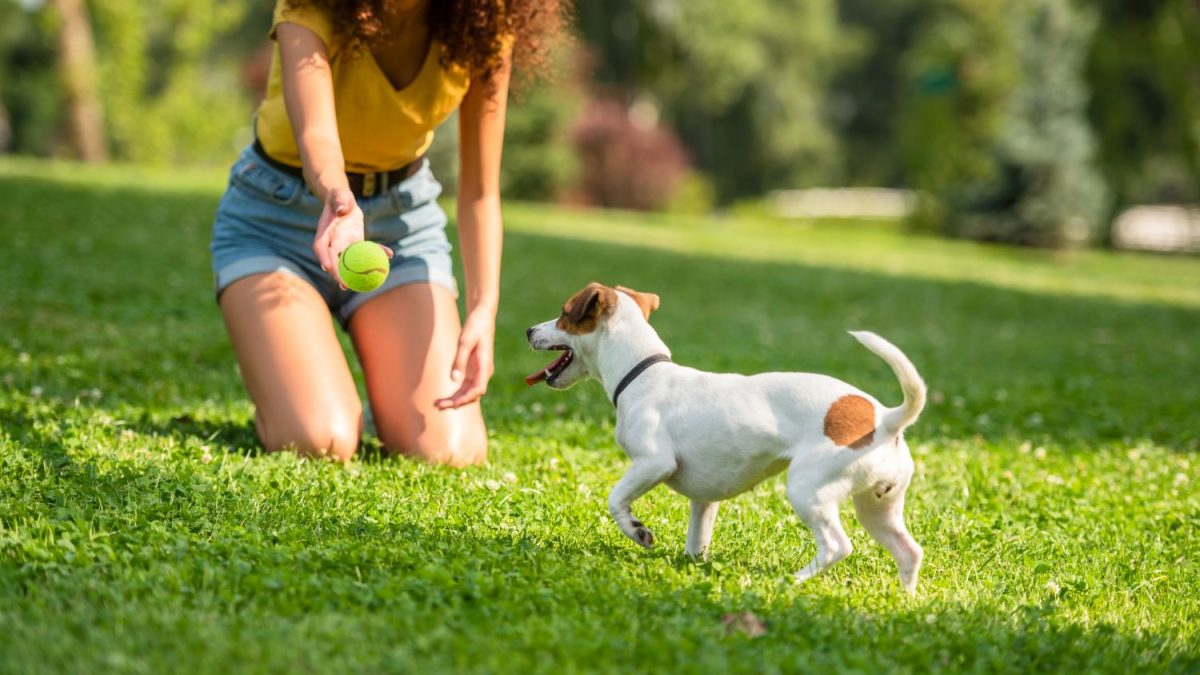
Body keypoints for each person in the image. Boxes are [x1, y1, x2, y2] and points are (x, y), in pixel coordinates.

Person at [210, 0, 567, 464]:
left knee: (450, 451)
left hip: (402, 227)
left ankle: (373, 403)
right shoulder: (311, 6)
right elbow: (317, 135)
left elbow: (480, 191)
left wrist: (483, 309)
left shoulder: (487, 21)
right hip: (276, 219)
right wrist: (340, 200)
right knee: (320, 440)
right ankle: (289, 398)